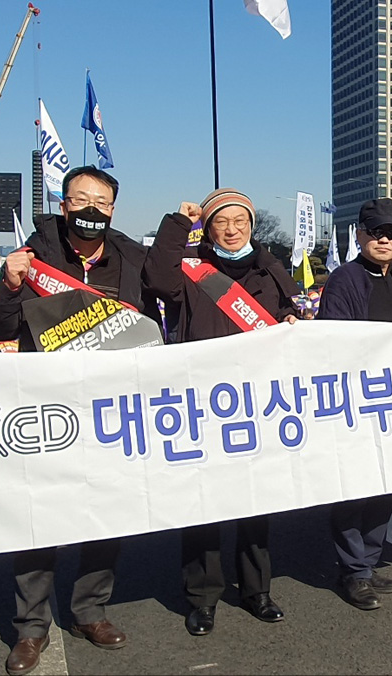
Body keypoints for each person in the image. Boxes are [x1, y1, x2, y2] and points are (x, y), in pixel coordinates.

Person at [0, 166, 152, 674]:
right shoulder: (32, 257)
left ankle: (89, 611)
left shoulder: (131, 259)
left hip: (110, 408)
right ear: (63, 205)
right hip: (47, 407)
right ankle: (31, 627)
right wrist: (10, 285)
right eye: (80, 200)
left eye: (101, 202)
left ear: (113, 210)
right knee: (40, 517)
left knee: (106, 513)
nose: (90, 210)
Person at [147, 189, 298, 636]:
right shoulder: (192, 269)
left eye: (240, 221)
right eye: (221, 222)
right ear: (208, 228)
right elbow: (157, 280)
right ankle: (202, 598)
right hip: (204, 402)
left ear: (251, 225)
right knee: (204, 503)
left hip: (258, 402)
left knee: (257, 502)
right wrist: (178, 224)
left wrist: (294, 321)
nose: (232, 230)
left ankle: (257, 590)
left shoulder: (270, 268)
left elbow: (292, 310)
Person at [317, 198, 392, 610]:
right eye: (375, 232)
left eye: (391, 232)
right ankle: (353, 571)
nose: (383, 239)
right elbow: (334, 340)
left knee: (385, 487)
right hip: (356, 403)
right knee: (353, 490)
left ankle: (369, 563)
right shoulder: (345, 279)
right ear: (359, 235)